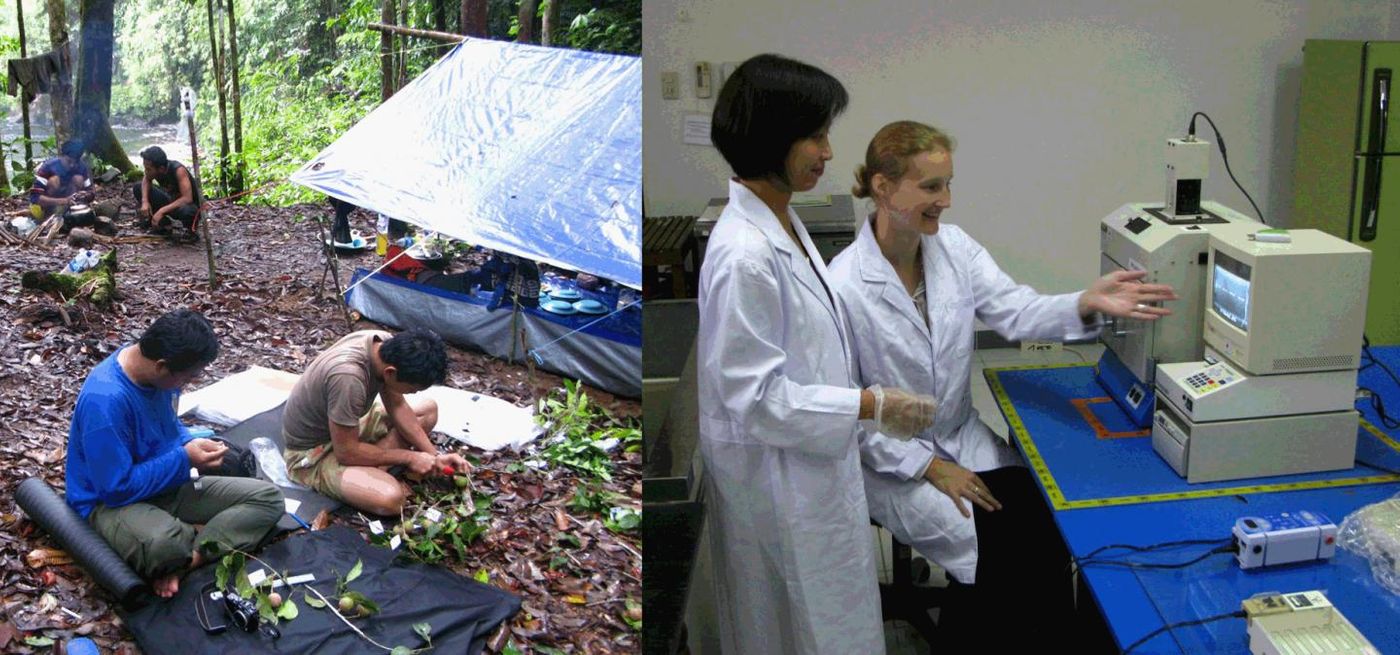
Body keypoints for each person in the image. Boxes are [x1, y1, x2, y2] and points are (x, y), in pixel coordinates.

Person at [827, 120, 1180, 648]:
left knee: (1045, 526)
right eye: (930, 187)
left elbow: (1015, 311)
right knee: (995, 548)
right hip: (891, 462)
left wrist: (1086, 301)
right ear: (882, 187)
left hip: (959, 433)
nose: (945, 200)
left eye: (948, 185)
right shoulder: (843, 284)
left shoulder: (954, 250)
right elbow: (845, 412)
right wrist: (930, 466)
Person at [697, 54, 937, 654]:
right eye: (816, 135)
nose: (829, 152)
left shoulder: (785, 226)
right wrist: (870, 404)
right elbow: (755, 398)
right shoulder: (744, 255)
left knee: (831, 622)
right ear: (770, 136)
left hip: (815, 474)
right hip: (780, 491)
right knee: (800, 630)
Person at [64, 309, 285, 598]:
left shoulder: (157, 377)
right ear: (161, 366)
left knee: (268, 498)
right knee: (166, 544)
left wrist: (189, 443)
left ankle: (189, 560)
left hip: (164, 485)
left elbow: (170, 426)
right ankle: (185, 546)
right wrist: (184, 458)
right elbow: (115, 489)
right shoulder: (106, 401)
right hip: (109, 504)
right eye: (188, 377)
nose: (189, 384)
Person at [280, 328, 469, 516]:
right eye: (411, 389)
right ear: (390, 373)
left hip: (347, 424)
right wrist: (409, 457)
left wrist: (434, 456)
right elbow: (346, 453)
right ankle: (367, 471)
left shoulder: (382, 343)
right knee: (391, 499)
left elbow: (397, 406)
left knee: (428, 410)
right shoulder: (348, 378)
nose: (413, 394)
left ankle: (368, 468)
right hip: (314, 452)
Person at [132, 146, 204, 237]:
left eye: (149, 169)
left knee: (188, 211)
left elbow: (187, 198)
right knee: (138, 187)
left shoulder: (178, 170)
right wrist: (145, 201)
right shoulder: (155, 170)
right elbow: (146, 179)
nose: (146, 172)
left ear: (161, 169)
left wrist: (162, 211)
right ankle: (162, 223)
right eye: (145, 168)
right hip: (170, 200)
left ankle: (190, 231)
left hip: (187, 206)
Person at [29, 139, 92, 221]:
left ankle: (70, 211)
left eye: (75, 162)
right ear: (61, 156)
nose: (72, 165)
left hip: (70, 206)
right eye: (68, 161)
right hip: (45, 208)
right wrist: (64, 200)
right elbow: (35, 198)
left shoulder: (81, 167)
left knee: (78, 179)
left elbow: (91, 192)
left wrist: (85, 195)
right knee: (54, 180)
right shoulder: (48, 167)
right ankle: (50, 215)